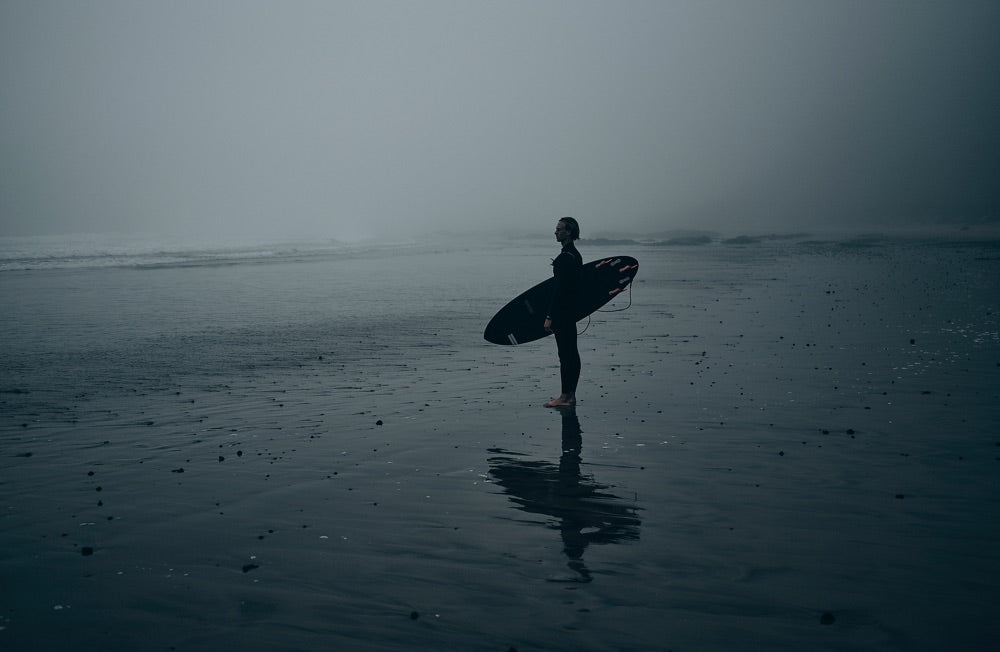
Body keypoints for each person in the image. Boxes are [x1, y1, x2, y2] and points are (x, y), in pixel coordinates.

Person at [543, 217, 583, 408]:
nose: (556, 232)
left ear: (568, 232)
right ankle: (570, 396)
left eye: (559, 229)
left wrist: (550, 316)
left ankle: (564, 396)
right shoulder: (575, 255)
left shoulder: (565, 258)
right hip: (571, 312)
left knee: (565, 355)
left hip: (562, 313)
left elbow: (559, 291)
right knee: (571, 353)